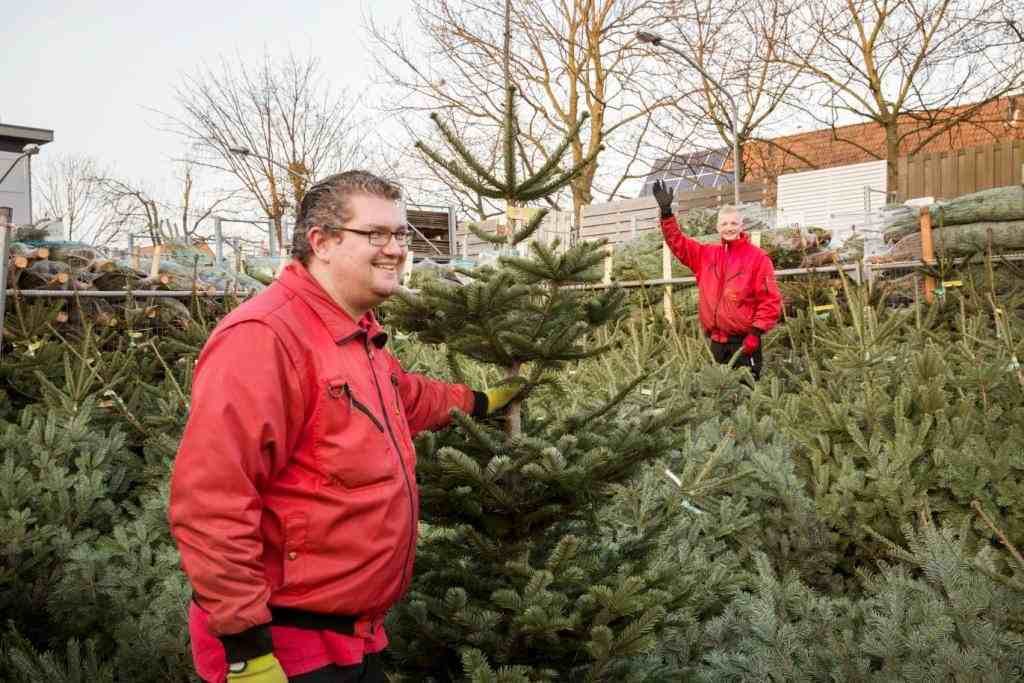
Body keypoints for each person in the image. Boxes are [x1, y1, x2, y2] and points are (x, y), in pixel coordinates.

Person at [168, 171, 519, 682]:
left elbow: (405, 397)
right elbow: (212, 498)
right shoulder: (265, 338)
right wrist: (246, 647)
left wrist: (480, 401)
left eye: (401, 235)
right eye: (376, 234)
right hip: (286, 649)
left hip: (353, 637)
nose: (396, 249)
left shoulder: (354, 333)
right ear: (322, 242)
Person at [652, 179, 782, 380]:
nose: (729, 228)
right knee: (716, 397)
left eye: (733, 223)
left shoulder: (757, 258)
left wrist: (756, 333)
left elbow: (770, 300)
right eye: (724, 223)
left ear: (741, 225)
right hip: (716, 343)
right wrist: (667, 213)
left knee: (746, 395)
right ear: (717, 227)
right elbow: (678, 243)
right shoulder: (706, 255)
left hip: (745, 344)